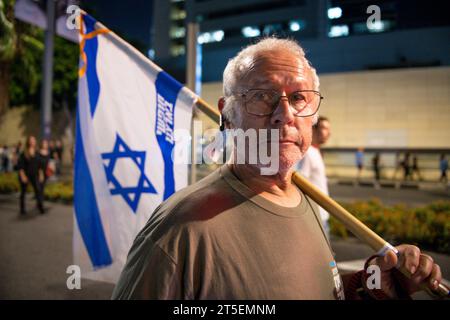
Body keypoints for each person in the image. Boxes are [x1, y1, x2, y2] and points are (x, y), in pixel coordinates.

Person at [112, 38, 443, 300]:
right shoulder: (179, 231)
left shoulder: (305, 199)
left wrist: (369, 284)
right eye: (261, 95)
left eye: (298, 97)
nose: (284, 114)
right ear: (227, 115)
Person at [296, 116, 331, 239]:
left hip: (323, 214)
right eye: (324, 128)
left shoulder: (316, 152)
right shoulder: (308, 153)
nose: (328, 133)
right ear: (314, 129)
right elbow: (301, 182)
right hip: (316, 217)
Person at [17, 136, 45, 215]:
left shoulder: (37, 152)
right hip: (26, 174)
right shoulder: (24, 153)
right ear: (28, 142)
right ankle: (22, 209)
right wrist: (23, 176)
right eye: (31, 140)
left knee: (38, 190)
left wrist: (41, 174)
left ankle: (40, 207)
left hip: (34, 175)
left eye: (34, 140)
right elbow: (21, 166)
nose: (33, 142)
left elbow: (39, 165)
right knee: (23, 192)